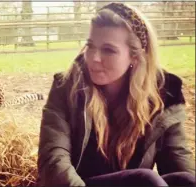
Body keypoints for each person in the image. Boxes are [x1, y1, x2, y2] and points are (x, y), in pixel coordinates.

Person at [37, 2, 195, 186]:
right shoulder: (67, 87)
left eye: (108, 50)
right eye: (90, 46)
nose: (94, 58)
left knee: (186, 180)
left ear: (134, 57)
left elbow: (177, 159)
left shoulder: (164, 95)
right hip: (78, 183)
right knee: (146, 180)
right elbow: (53, 161)